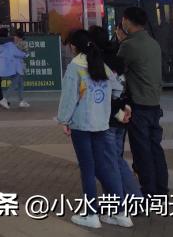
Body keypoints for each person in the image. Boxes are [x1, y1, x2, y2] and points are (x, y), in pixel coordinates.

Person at [56, 29, 132, 229]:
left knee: (87, 169)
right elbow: (116, 90)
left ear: (73, 46)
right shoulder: (101, 64)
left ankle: (91, 214)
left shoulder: (75, 67)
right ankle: (120, 213)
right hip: (101, 124)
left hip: (82, 125)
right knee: (104, 166)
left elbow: (69, 98)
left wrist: (64, 120)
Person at [117, 6, 169, 197]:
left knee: (142, 151)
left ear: (128, 21)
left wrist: (121, 42)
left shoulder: (129, 45)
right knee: (155, 148)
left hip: (138, 105)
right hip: (154, 104)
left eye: (123, 20)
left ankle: (148, 191)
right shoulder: (153, 43)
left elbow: (116, 69)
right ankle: (161, 189)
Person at [89, 25, 141, 200]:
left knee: (112, 161)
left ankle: (130, 199)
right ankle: (119, 199)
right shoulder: (117, 58)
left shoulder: (97, 63)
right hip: (121, 114)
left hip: (108, 116)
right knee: (114, 158)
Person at [0, 28, 24, 110]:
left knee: (19, 81)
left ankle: (21, 100)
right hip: (9, 68)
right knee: (16, 80)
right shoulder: (9, 44)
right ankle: (5, 99)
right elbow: (17, 53)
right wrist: (26, 54)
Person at [10, 30, 30, 108]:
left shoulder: (11, 42)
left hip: (11, 65)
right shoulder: (23, 43)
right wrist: (23, 55)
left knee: (20, 83)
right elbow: (27, 54)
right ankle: (5, 99)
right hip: (19, 65)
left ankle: (21, 100)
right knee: (16, 84)